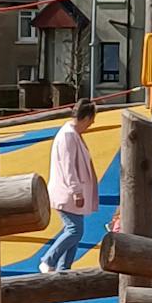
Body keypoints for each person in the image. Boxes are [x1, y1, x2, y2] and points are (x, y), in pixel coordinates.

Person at [40, 98, 99, 273]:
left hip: (71, 192)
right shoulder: (68, 136)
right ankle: (49, 259)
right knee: (75, 230)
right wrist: (76, 192)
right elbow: (68, 167)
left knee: (74, 230)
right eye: (92, 119)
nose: (92, 123)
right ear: (86, 118)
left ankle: (64, 268)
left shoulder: (73, 134)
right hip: (67, 193)